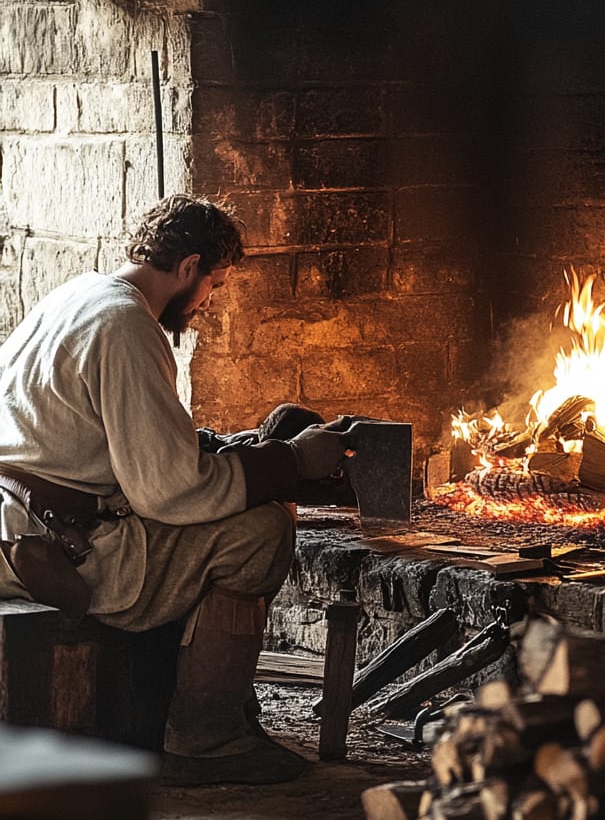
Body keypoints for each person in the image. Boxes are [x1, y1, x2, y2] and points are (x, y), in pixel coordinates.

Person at [0, 194, 347, 784]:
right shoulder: (127, 325)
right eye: (214, 283)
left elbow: (120, 438)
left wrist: (223, 445)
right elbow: (169, 492)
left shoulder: (80, 294)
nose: (208, 301)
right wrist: (290, 461)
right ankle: (206, 739)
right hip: (53, 546)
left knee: (239, 515)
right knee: (261, 533)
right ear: (189, 268)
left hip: (18, 520)